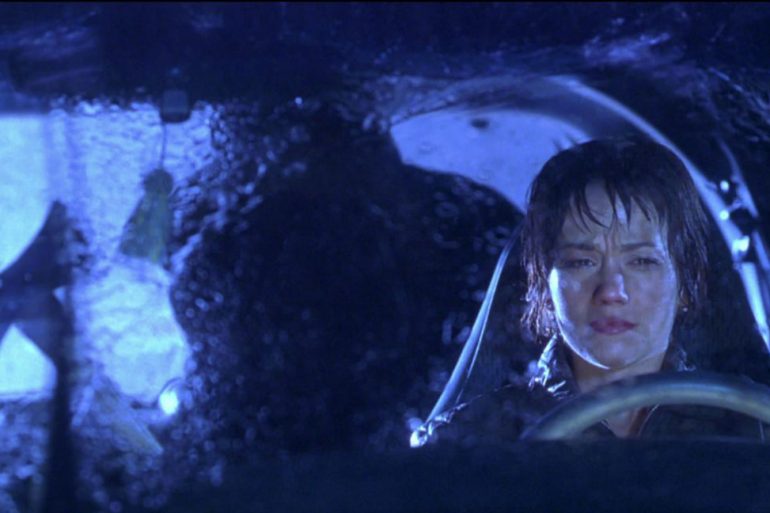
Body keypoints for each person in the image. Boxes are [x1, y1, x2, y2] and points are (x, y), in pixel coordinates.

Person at [434, 136, 768, 442]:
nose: (611, 291)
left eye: (641, 261)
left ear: (684, 282)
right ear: (544, 285)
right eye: (581, 262)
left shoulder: (752, 426)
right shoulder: (473, 440)